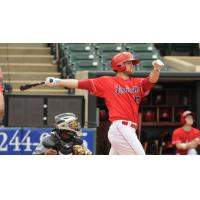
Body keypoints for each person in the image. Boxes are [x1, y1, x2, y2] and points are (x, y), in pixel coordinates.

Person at [45, 51, 164, 155]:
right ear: (120, 65)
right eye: (129, 63)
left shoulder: (137, 83)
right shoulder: (107, 81)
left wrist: (156, 69)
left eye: (133, 63)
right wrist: (58, 81)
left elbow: (151, 80)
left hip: (128, 130)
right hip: (121, 128)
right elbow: (79, 83)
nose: (133, 65)